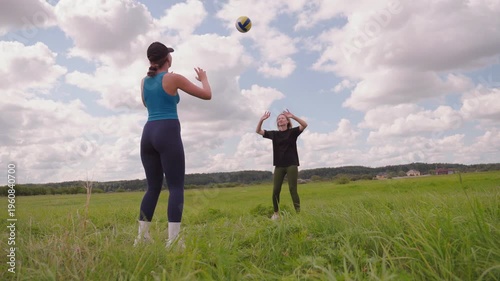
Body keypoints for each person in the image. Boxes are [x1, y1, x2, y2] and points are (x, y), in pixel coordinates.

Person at [134, 42, 212, 247]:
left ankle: (141, 238)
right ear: (167, 58)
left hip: (148, 133)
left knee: (153, 188)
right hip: (167, 131)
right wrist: (204, 79)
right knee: (176, 186)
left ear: (151, 60)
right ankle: (174, 240)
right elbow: (207, 95)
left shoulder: (144, 82)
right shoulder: (173, 78)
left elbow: (147, 103)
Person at [256, 109, 308, 220]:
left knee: (292, 189)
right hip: (279, 165)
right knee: (275, 190)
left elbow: (304, 124)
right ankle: (276, 214)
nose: (280, 119)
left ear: (287, 121)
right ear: (278, 122)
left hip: (291, 164)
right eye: (279, 119)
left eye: (283, 118)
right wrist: (261, 120)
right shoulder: (274, 134)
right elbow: (258, 131)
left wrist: (293, 116)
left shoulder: (293, 132)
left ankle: (298, 214)